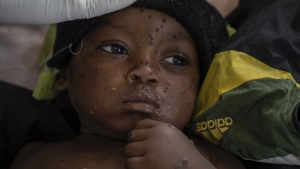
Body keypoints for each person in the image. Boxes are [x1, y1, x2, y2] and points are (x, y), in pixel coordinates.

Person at [9, 0, 246, 168]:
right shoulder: (34, 155)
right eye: (116, 49)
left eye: (176, 60)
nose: (145, 71)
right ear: (63, 75)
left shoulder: (210, 158)